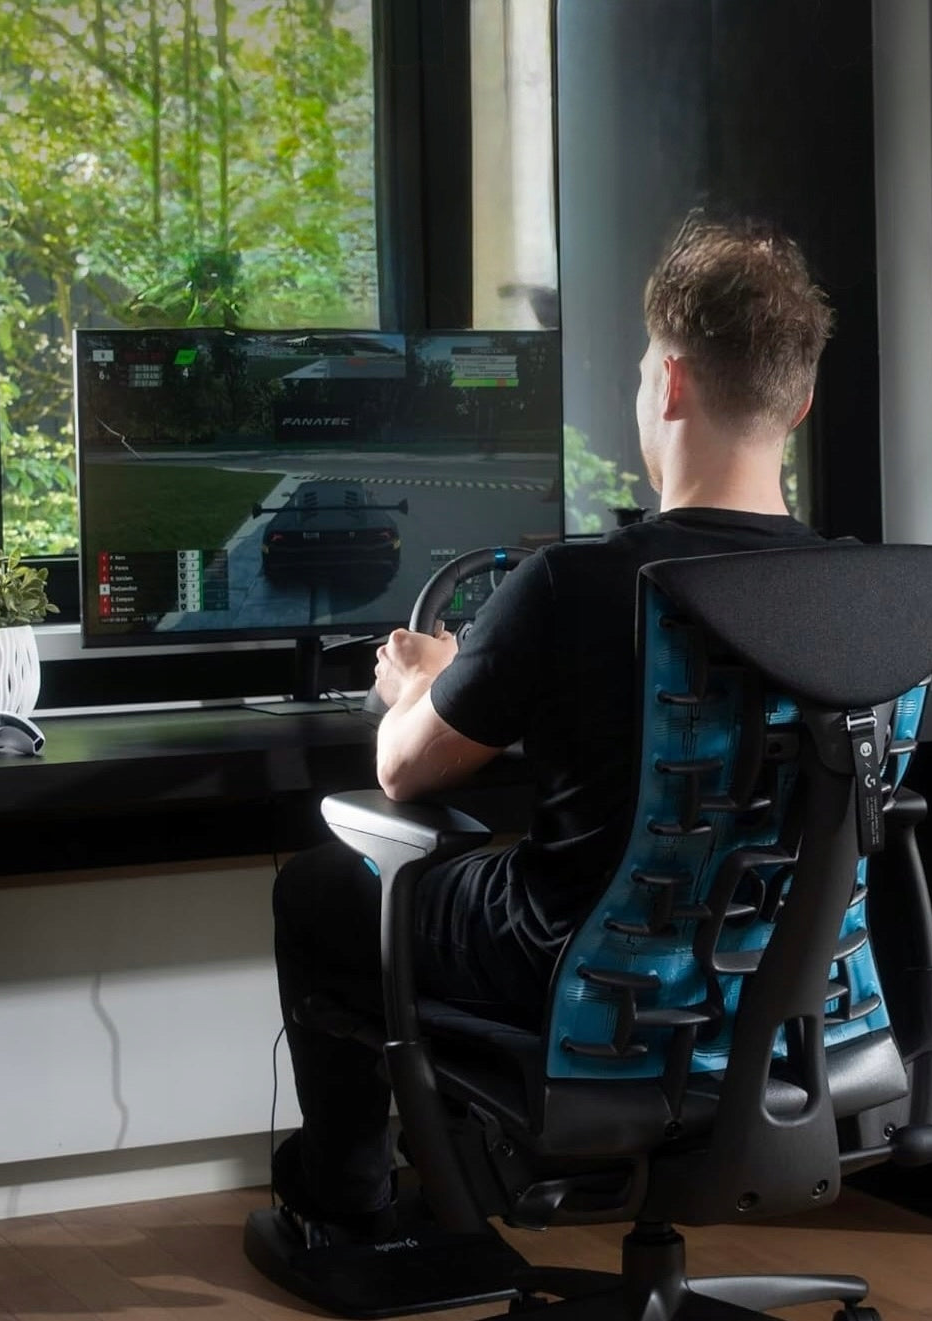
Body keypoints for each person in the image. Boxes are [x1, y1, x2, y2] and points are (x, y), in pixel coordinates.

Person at [271, 211, 835, 1244]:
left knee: (321, 886)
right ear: (797, 402)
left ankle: (352, 1201)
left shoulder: (573, 583)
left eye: (642, 371)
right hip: (770, 986)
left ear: (669, 384)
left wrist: (424, 683)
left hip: (580, 970)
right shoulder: (861, 596)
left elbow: (402, 772)